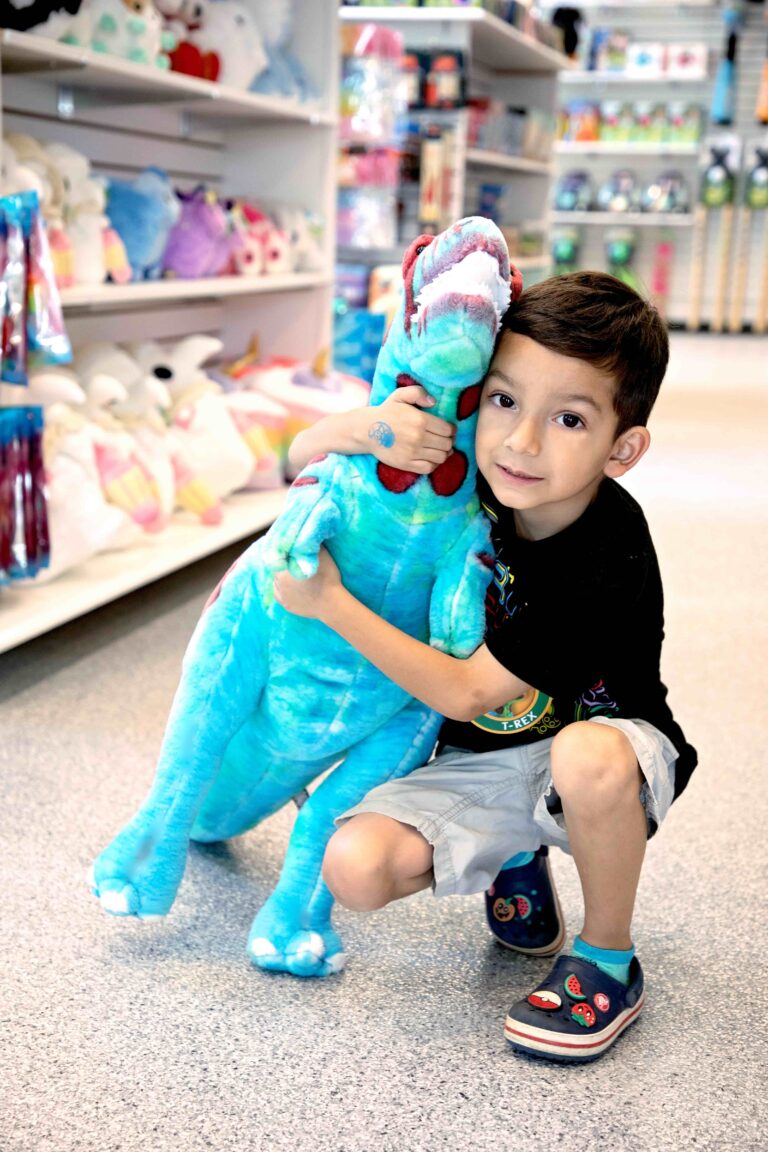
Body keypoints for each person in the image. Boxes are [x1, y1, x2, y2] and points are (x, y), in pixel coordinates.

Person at [277, 271, 697, 1063]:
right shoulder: (477, 481)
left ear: (623, 448)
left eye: (569, 418)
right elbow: (292, 462)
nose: (521, 442)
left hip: (613, 752)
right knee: (354, 869)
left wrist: (328, 601)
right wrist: (360, 428)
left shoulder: (606, 554)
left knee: (584, 756)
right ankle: (517, 853)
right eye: (503, 401)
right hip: (487, 756)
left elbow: (465, 689)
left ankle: (609, 959)